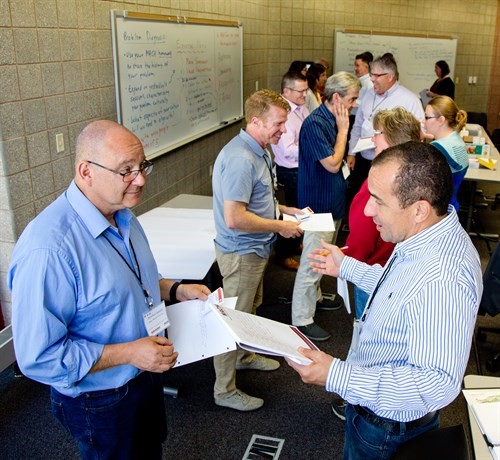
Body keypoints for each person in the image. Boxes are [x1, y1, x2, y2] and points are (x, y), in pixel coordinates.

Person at [7, 120, 211, 459]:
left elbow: (127, 282)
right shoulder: (49, 248)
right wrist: (130, 353)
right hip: (101, 398)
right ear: (86, 171)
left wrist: (175, 290)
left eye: (142, 166)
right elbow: (37, 357)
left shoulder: (123, 216)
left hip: (144, 374)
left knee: (149, 450)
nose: (141, 179)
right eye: (126, 171)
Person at [287, 141, 483, 460]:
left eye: (378, 201)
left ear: (419, 209)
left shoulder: (443, 276)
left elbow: (437, 383)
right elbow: (402, 290)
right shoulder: (426, 236)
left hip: (386, 427)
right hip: (374, 407)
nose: (367, 211)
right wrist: (346, 267)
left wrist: (336, 374)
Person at [212, 89, 304, 411]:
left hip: (257, 248)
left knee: (250, 308)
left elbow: (259, 200)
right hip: (242, 252)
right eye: (278, 124)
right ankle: (223, 390)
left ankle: (244, 356)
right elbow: (235, 218)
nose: (283, 130)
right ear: (255, 121)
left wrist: (285, 210)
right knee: (231, 320)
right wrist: (280, 227)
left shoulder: (260, 149)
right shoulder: (240, 159)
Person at [330, 107, 422, 421]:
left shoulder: (380, 187)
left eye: (377, 135)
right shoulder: (414, 180)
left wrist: (345, 259)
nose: (372, 139)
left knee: (369, 339)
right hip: (391, 271)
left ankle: (360, 400)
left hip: (374, 273)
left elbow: (363, 240)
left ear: (392, 141)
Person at [291, 72, 361, 342]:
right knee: (312, 261)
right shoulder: (315, 124)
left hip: (330, 202)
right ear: (336, 98)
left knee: (322, 257)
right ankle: (301, 319)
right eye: (352, 99)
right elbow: (332, 163)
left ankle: (316, 298)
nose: (354, 104)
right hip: (317, 206)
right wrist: (344, 132)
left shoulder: (333, 118)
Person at [345, 54, 424, 207]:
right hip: (363, 160)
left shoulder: (409, 100)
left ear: (390, 77)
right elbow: (358, 125)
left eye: (376, 75)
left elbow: (417, 135)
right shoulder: (367, 94)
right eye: (371, 74)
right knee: (361, 201)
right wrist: (351, 152)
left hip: (390, 164)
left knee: (383, 204)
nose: (372, 79)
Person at [271, 71, 310, 271]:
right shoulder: (283, 114)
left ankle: (296, 244)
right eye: (300, 91)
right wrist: (312, 149)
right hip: (289, 170)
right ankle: (283, 254)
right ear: (286, 91)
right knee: (289, 213)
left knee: (300, 209)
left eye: (306, 90)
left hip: (301, 168)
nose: (305, 95)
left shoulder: (301, 108)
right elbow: (287, 151)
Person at [423, 95, 468, 211]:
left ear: (441, 120)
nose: (423, 122)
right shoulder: (457, 140)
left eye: (427, 117)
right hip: (451, 208)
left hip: (437, 212)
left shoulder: (437, 149)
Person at [351, 51, 373, 115]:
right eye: (355, 65)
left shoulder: (370, 85)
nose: (355, 68)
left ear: (366, 67)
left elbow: (368, 104)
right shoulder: (357, 81)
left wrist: (351, 101)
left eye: (357, 66)